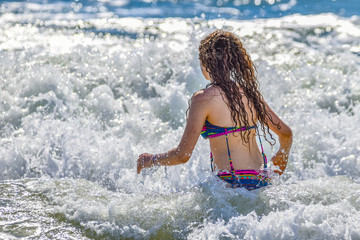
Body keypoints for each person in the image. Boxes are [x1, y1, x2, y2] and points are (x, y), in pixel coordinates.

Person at [137, 30, 292, 190]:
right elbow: (286, 134)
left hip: (231, 184)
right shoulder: (250, 94)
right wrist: (277, 165)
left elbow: (182, 155)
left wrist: (152, 160)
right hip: (261, 182)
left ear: (206, 62)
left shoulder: (203, 99)